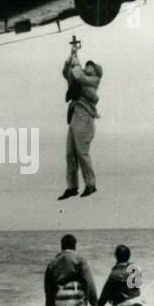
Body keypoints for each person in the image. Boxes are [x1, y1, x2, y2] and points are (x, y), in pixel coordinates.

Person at [58, 44, 102, 199]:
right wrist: (71, 55)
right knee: (70, 154)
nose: (88, 66)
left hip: (84, 117)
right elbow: (67, 72)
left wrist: (76, 58)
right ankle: (72, 187)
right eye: (87, 65)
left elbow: (78, 76)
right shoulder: (80, 78)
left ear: (96, 72)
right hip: (76, 117)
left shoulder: (93, 80)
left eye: (92, 66)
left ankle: (91, 184)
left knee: (82, 153)